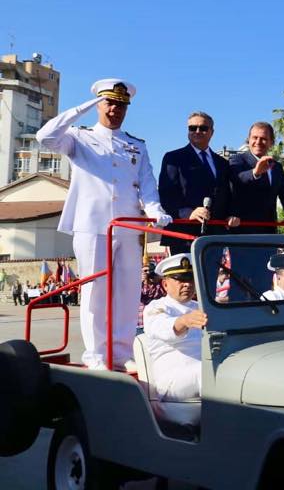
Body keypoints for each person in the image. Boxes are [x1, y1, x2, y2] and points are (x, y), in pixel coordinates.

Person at [36, 78, 171, 371]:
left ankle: (121, 352)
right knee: (95, 290)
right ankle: (96, 354)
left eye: (121, 105)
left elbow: (147, 183)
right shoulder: (78, 137)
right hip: (91, 225)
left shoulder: (136, 145)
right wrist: (80, 109)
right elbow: (44, 137)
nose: (115, 110)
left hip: (129, 225)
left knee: (128, 290)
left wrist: (155, 210)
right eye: (109, 103)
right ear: (98, 104)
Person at [228, 122, 284, 297]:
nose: (258, 142)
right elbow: (237, 180)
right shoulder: (238, 160)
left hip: (267, 234)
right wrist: (256, 172)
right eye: (255, 138)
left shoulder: (276, 167)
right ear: (249, 139)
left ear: (271, 142)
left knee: (263, 282)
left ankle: (262, 312)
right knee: (240, 283)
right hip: (243, 234)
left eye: (263, 138)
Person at [159, 112, 240, 255]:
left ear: (211, 132)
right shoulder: (173, 158)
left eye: (203, 128)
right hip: (184, 235)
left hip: (215, 236)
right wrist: (188, 213)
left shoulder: (222, 163)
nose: (197, 131)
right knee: (186, 271)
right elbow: (166, 194)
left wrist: (231, 214)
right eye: (192, 128)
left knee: (212, 271)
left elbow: (228, 193)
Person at [142, 254, 205, 405]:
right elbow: (161, 328)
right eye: (180, 280)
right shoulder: (156, 307)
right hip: (171, 380)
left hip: (200, 374)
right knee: (210, 373)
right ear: (165, 284)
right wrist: (184, 321)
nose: (187, 284)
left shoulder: (200, 307)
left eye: (190, 279)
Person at [138, 262, 165, 328]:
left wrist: (160, 278)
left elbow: (167, 294)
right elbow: (133, 297)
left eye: (151, 271)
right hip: (140, 323)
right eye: (145, 271)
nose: (148, 273)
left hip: (157, 323)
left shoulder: (160, 284)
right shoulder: (137, 283)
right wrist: (139, 282)